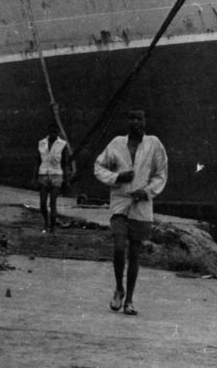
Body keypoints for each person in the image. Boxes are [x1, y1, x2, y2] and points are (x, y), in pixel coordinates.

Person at [92, 107, 167, 316]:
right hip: (120, 203)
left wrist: (147, 191)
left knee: (134, 252)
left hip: (141, 206)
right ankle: (119, 288)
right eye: (132, 118)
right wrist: (117, 177)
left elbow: (161, 174)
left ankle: (129, 301)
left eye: (139, 118)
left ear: (145, 121)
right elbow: (98, 167)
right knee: (118, 246)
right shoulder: (116, 143)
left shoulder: (154, 144)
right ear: (127, 121)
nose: (135, 122)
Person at [36, 123, 73, 233]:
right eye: (51, 132)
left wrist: (66, 179)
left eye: (55, 132)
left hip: (56, 175)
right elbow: (38, 161)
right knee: (42, 203)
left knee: (53, 201)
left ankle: (52, 226)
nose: (53, 134)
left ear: (58, 133)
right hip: (43, 174)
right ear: (48, 132)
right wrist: (34, 177)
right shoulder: (41, 143)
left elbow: (64, 163)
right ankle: (46, 222)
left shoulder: (62, 145)